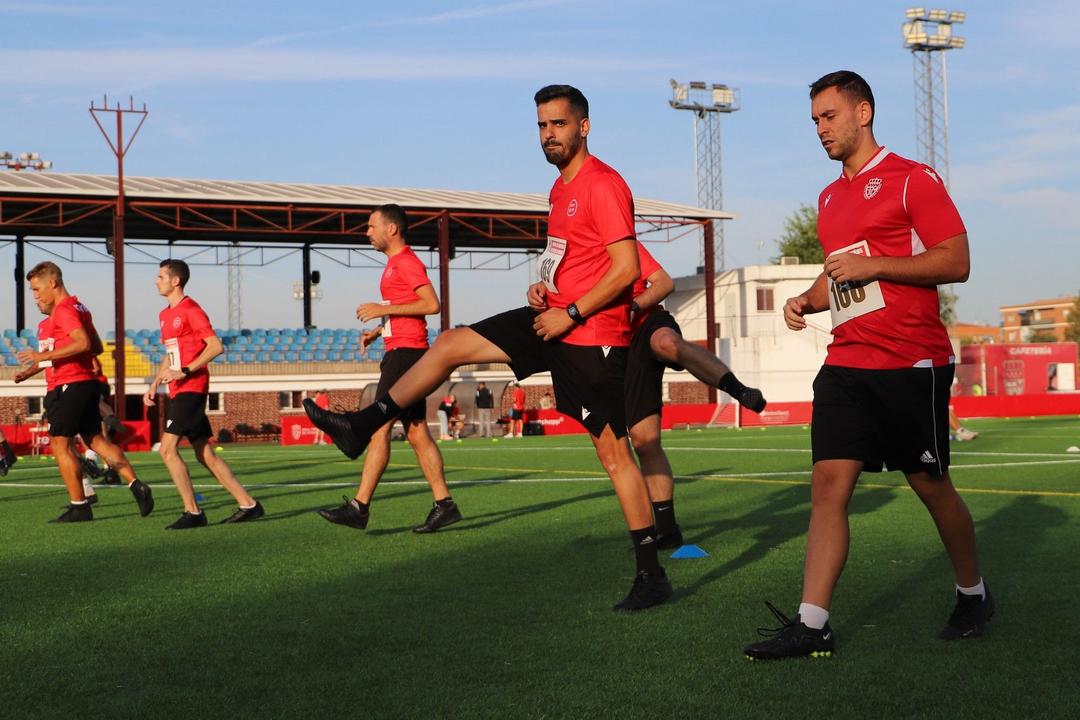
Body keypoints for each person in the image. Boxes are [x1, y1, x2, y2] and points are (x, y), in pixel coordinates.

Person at [305, 85, 672, 611]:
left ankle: (651, 573)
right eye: (542, 125)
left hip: (591, 336)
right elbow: (573, 259)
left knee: (614, 454)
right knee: (451, 343)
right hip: (551, 319)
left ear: (584, 127)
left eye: (559, 124)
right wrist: (545, 287)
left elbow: (626, 269)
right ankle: (363, 424)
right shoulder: (558, 190)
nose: (548, 135)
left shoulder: (604, 183)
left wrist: (570, 311)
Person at [744, 71, 992, 661]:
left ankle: (973, 594)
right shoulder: (829, 198)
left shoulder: (912, 179)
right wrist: (807, 299)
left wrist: (877, 265)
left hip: (911, 363)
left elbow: (956, 261)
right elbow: (841, 271)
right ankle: (812, 623)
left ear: (864, 112)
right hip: (846, 362)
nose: (820, 129)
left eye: (829, 116)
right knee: (828, 486)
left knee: (930, 485)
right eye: (814, 121)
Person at [312, 204, 462, 534]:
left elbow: (431, 304)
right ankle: (445, 505)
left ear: (391, 229)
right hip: (403, 350)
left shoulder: (406, 262)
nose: (367, 232)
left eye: (371, 226)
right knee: (416, 431)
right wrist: (380, 330)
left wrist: (382, 309)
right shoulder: (394, 265)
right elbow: (406, 312)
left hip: (406, 355)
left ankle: (359, 507)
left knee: (379, 427)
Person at [627, 242, 767, 549]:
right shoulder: (566, 257)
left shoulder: (623, 243)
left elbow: (664, 283)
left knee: (666, 342)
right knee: (644, 441)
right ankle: (667, 530)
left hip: (646, 321)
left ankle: (737, 389)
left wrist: (633, 306)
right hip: (612, 341)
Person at [13, 261, 154, 523]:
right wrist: (28, 372)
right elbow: (96, 347)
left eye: (36, 289)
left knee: (60, 445)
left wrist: (44, 355)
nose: (35, 295)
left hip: (68, 385)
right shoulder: (77, 308)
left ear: (52, 283)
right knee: (96, 441)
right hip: (85, 384)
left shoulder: (64, 310)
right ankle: (136, 484)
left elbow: (83, 343)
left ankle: (80, 505)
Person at [144, 259, 264, 529]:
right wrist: (155, 383)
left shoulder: (191, 310)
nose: (156, 281)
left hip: (192, 388)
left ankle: (193, 512)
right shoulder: (164, 315)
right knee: (204, 454)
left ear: (176, 281)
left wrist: (185, 371)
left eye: (161, 276)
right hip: (178, 389)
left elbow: (215, 346)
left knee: (167, 450)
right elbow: (171, 354)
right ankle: (249, 504)